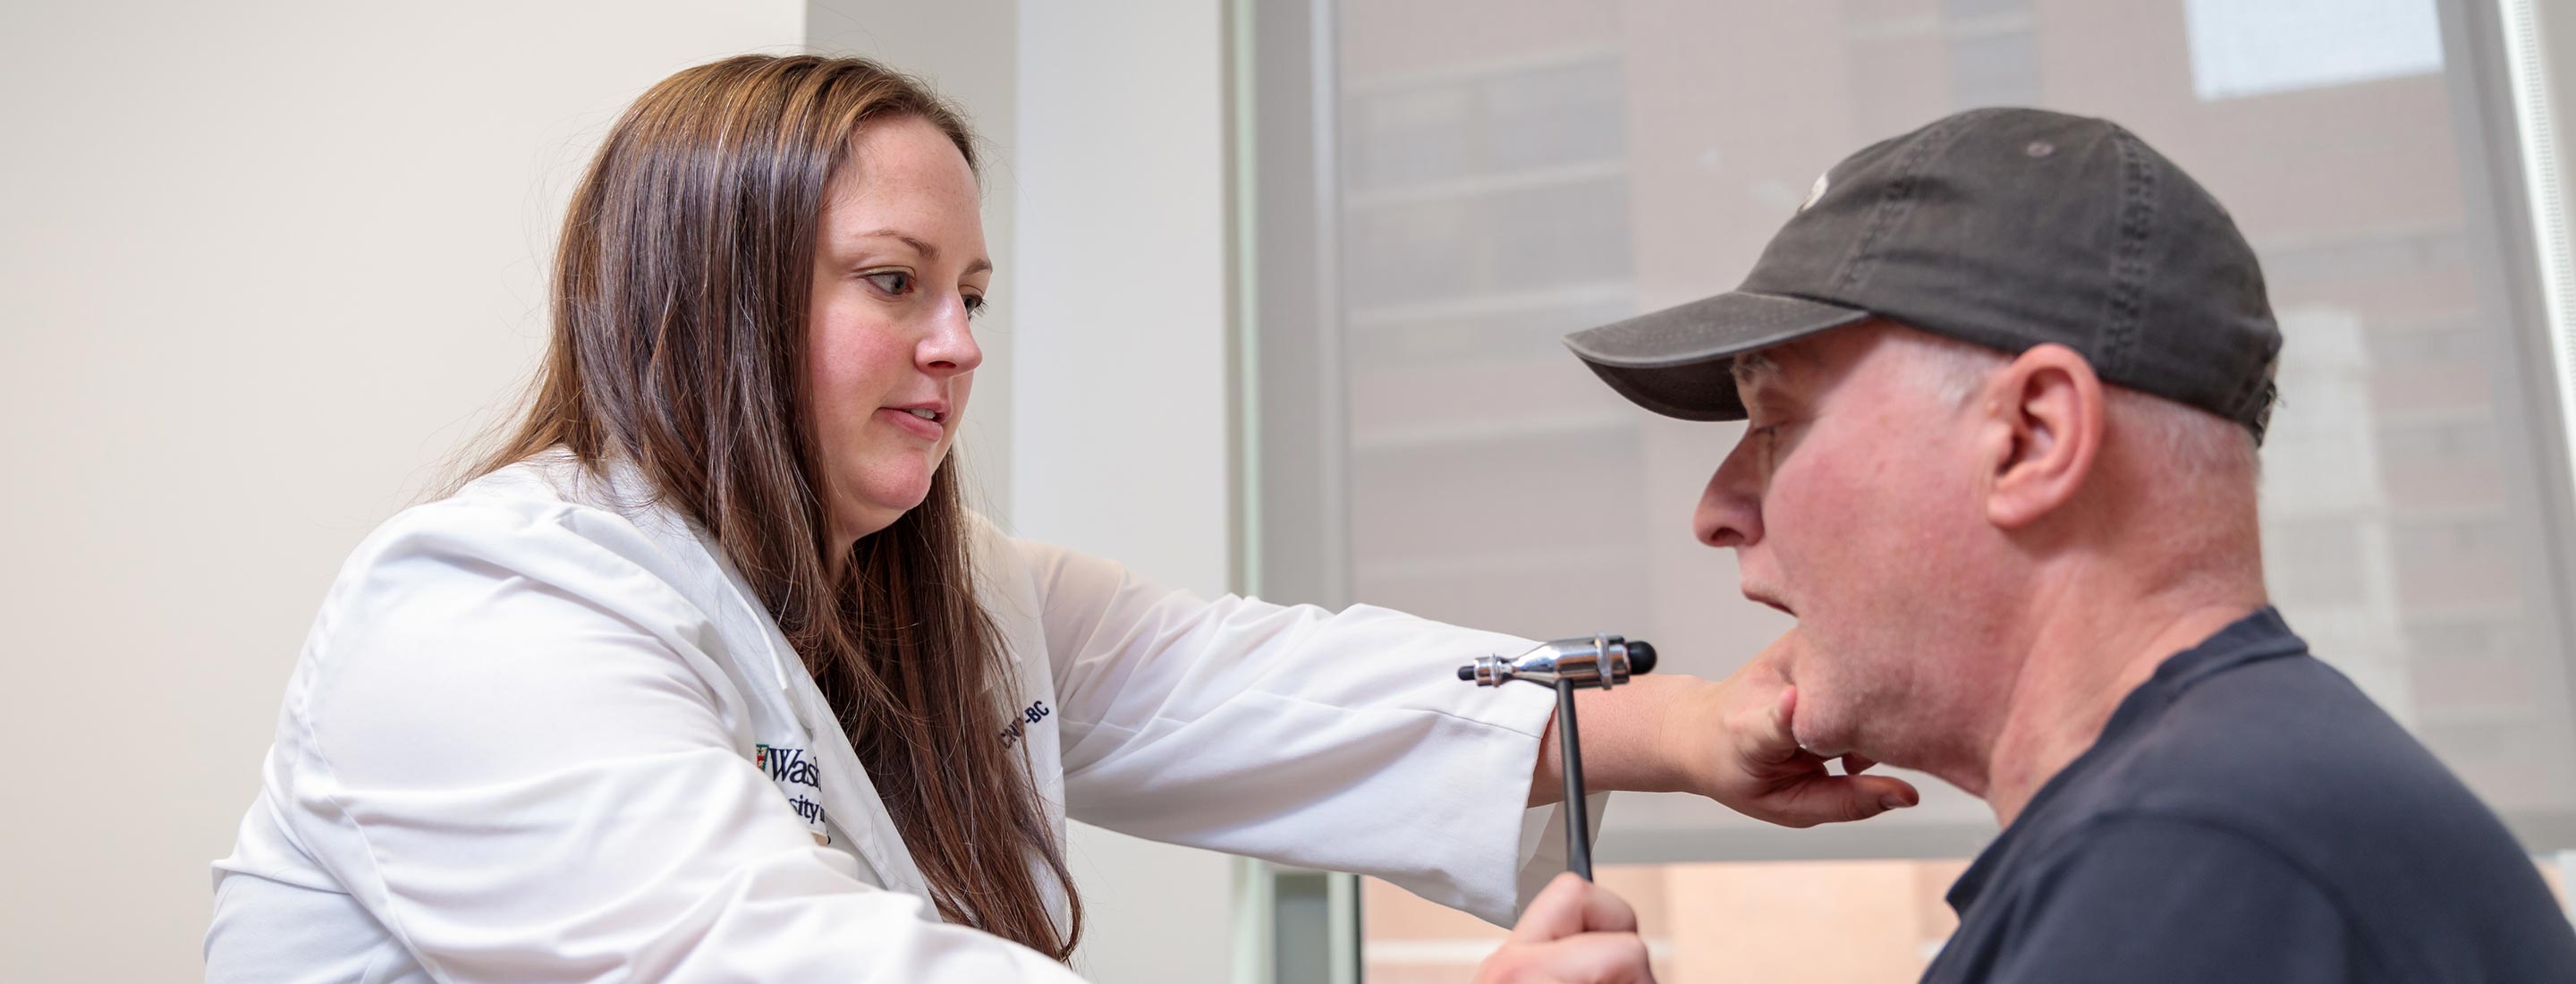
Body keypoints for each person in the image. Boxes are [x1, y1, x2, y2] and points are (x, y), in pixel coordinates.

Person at [203, 55, 1907, 984]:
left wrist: (1689, 732)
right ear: (709, 300)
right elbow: (783, 969)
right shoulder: (485, 620)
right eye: (894, 285)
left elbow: (1254, 684)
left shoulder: (935, 593)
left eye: (972, 293)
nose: (960, 345)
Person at [1559, 106, 2576, 981]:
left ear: (2031, 438)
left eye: (1774, 422)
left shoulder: (2195, 859)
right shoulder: (2232, 821)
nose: (1717, 509)